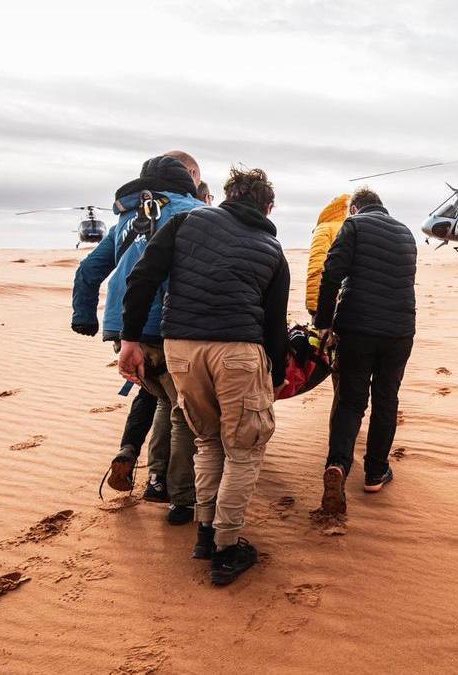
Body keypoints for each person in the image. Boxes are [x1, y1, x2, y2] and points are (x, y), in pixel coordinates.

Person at [118, 166, 289, 587]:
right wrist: (279, 375)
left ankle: (205, 531)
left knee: (208, 440)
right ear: (268, 206)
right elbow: (274, 323)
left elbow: (143, 278)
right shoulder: (270, 245)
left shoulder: (185, 221)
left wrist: (130, 339)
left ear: (229, 196)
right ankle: (227, 548)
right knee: (244, 449)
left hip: (181, 349)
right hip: (238, 351)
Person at [71, 152, 205, 523]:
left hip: (125, 331)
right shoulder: (194, 212)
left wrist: (85, 317)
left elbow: (88, 271)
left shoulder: (125, 219)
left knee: (159, 400)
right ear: (187, 180)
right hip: (171, 326)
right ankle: (181, 498)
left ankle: (152, 475)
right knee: (183, 413)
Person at [313, 187, 416, 516]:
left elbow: (331, 273)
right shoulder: (406, 233)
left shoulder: (354, 226)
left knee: (350, 402)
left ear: (355, 208)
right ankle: (375, 472)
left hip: (357, 329)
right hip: (399, 332)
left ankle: (338, 466)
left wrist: (324, 322)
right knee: (386, 399)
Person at [305, 194, 351, 318]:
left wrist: (315, 307)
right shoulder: (352, 228)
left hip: (326, 302)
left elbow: (317, 266)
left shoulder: (324, 229)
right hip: (351, 305)